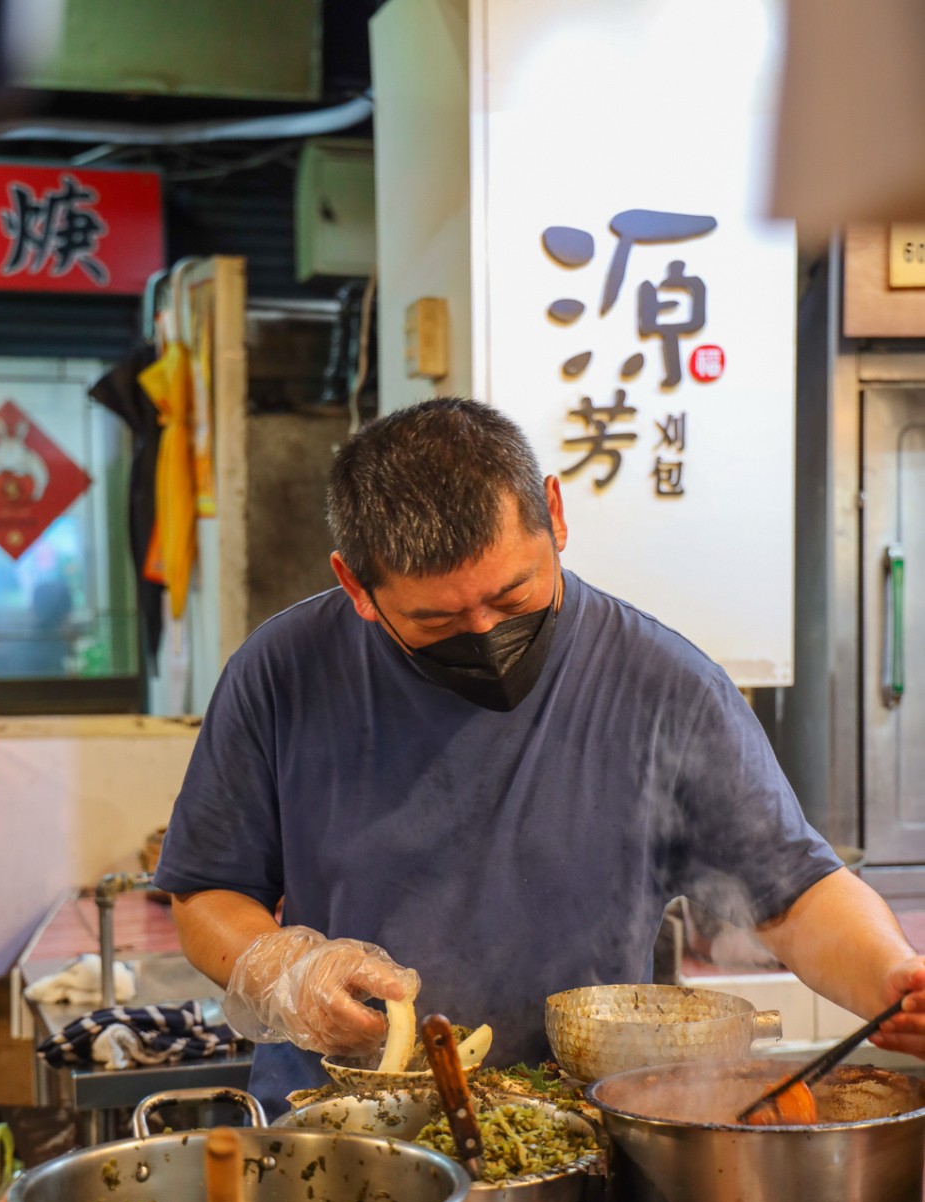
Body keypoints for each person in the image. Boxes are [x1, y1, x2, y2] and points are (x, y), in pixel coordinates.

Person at [154, 397, 925, 1121]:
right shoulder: (285, 670)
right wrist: (284, 970)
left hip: (582, 1127)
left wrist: (893, 977)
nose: (485, 633)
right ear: (356, 584)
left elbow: (794, 894)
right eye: (440, 620)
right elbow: (205, 893)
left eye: (514, 596)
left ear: (553, 514)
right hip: (342, 1126)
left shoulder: (663, 686)